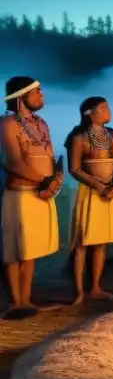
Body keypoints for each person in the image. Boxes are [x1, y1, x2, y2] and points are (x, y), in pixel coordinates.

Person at [0, 77, 62, 318]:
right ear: (20, 97)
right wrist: (43, 180)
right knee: (15, 249)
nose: (41, 96)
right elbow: (13, 161)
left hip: (42, 193)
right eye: (36, 93)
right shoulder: (7, 124)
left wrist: (55, 179)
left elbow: (50, 154)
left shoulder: (41, 124)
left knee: (31, 248)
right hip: (20, 194)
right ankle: (15, 302)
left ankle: (26, 299)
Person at [65, 96, 113, 304]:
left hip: (110, 192)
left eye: (107, 107)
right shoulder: (79, 138)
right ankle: (79, 291)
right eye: (103, 108)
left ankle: (96, 287)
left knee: (101, 242)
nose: (108, 111)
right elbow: (74, 169)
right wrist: (100, 187)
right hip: (89, 192)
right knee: (83, 241)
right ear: (89, 113)